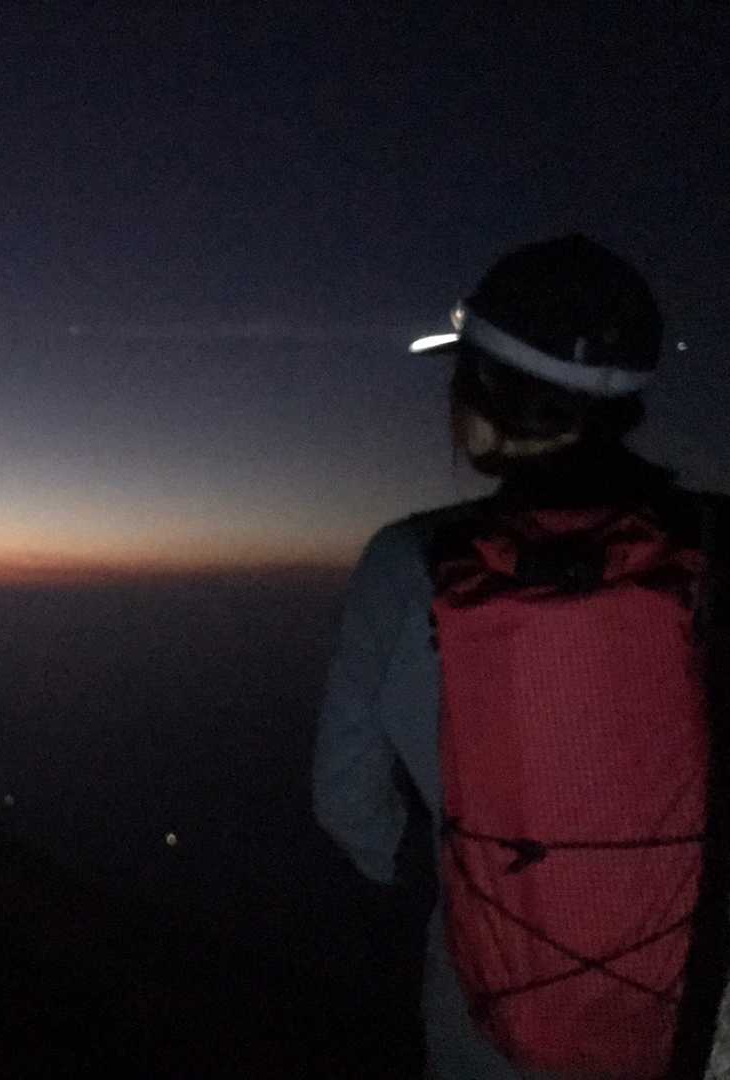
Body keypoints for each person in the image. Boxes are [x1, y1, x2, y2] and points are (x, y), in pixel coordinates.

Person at [312, 233, 728, 1079]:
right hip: (696, 1010)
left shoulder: (408, 564)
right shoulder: (716, 544)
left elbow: (345, 800)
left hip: (493, 1005)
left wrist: (456, 873)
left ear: (483, 394)